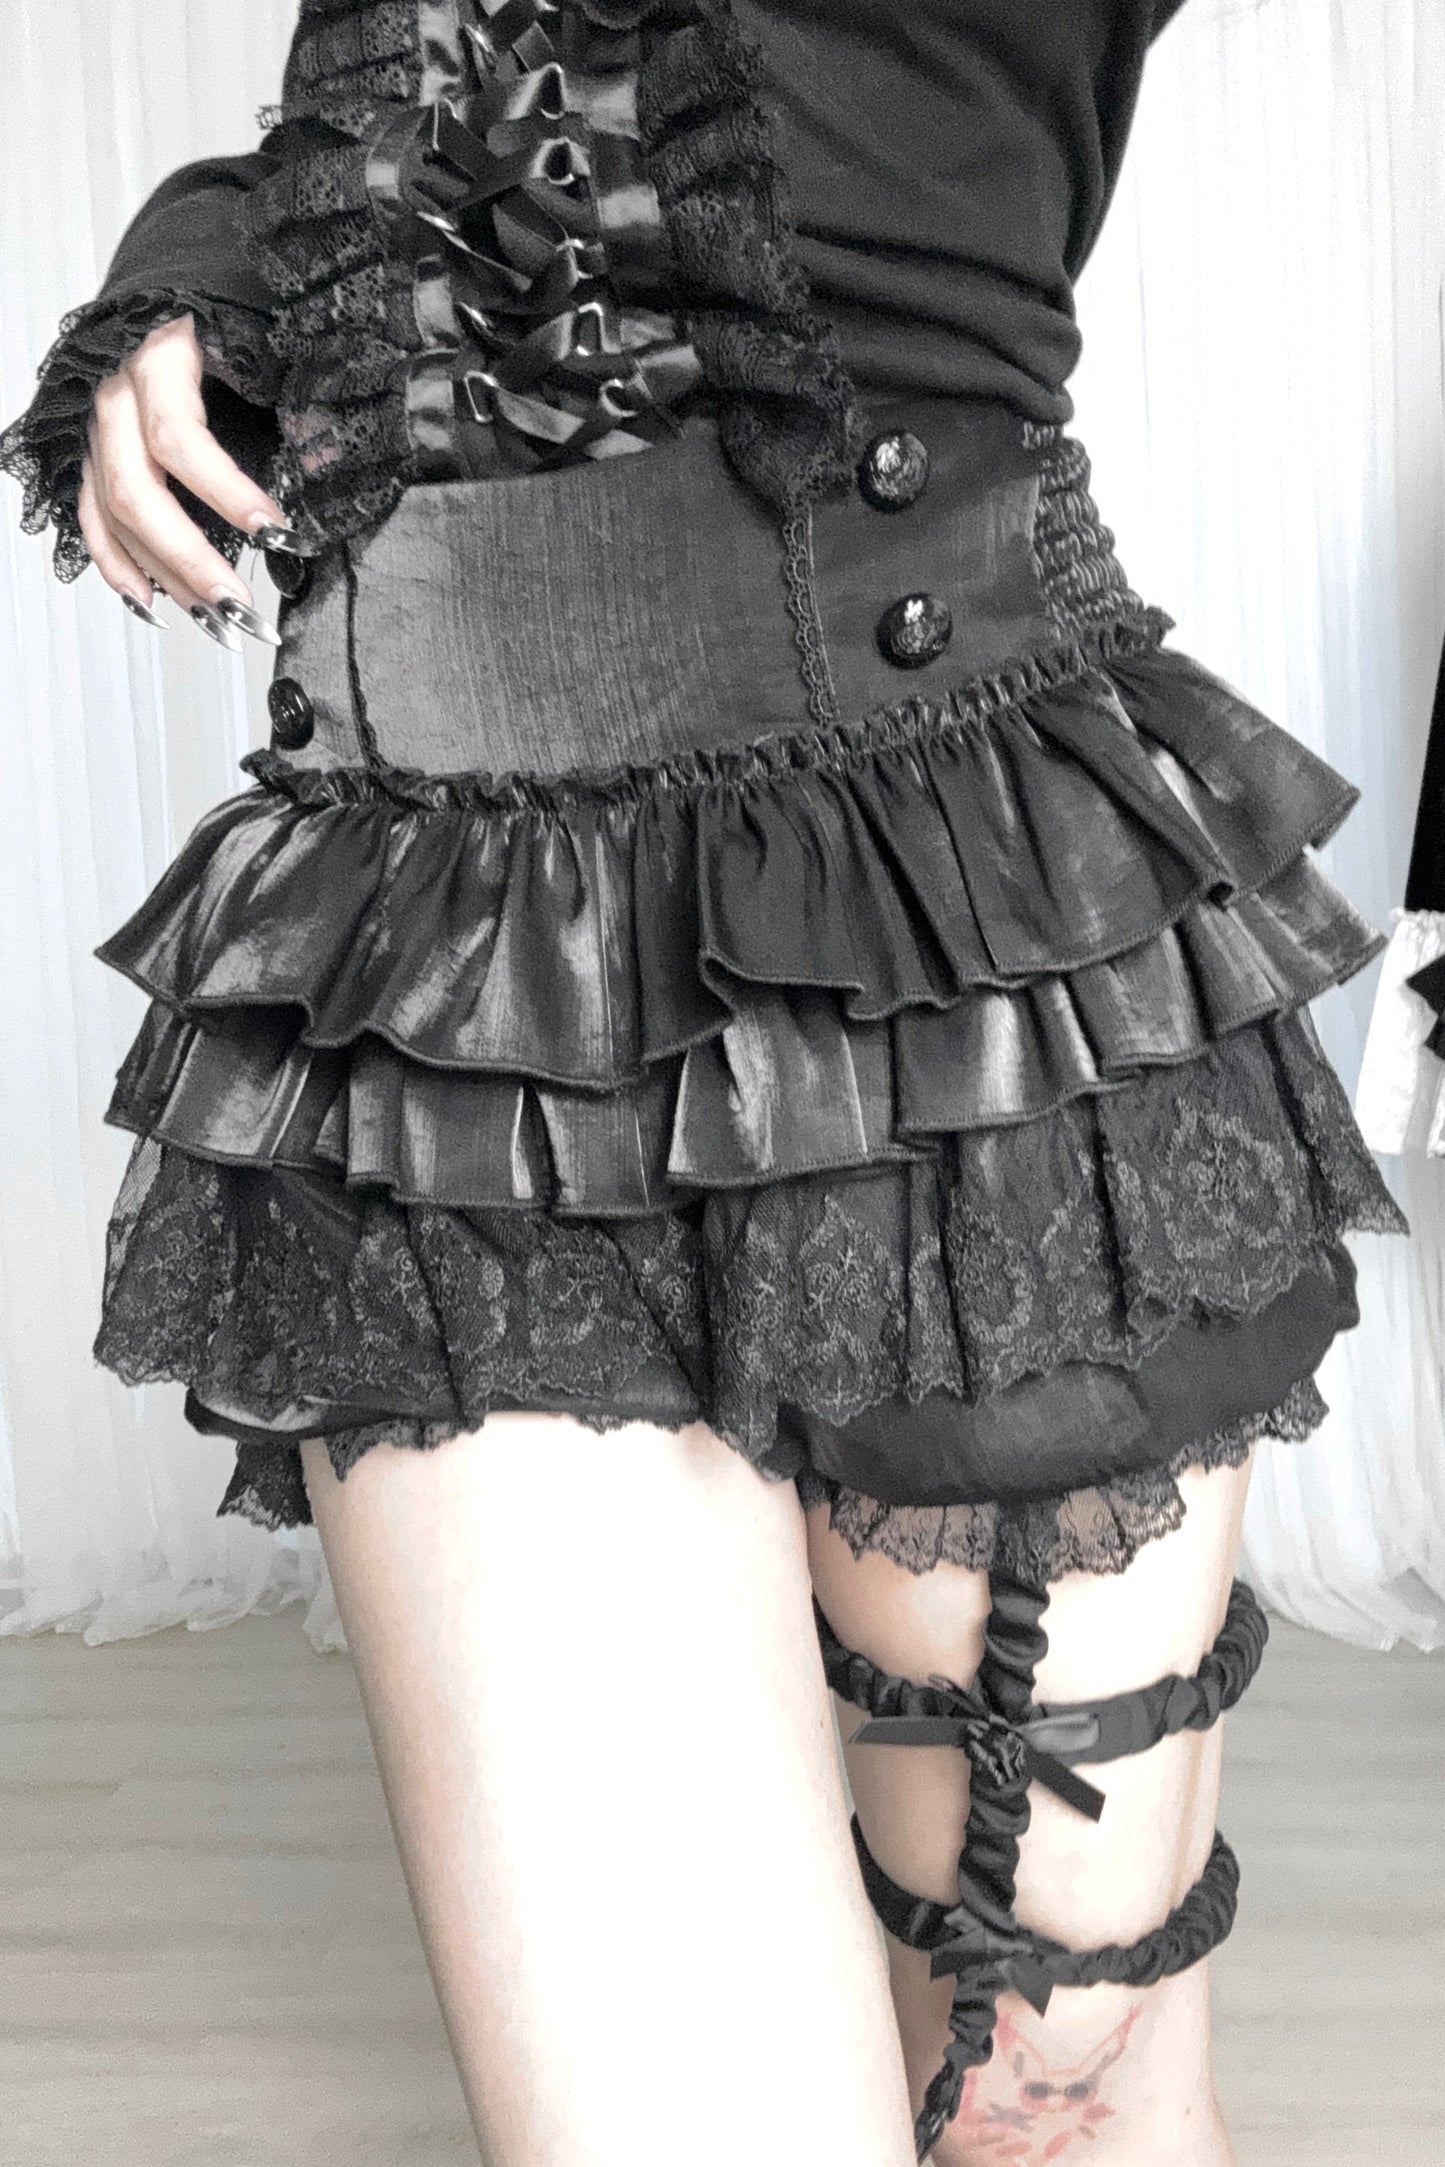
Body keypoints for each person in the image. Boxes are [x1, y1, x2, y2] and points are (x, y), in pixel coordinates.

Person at [1, 3, 1407, 2161]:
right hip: (447, 988)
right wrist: (212, 265)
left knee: (1054, 2084)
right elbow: (411, 95)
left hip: (954, 933)